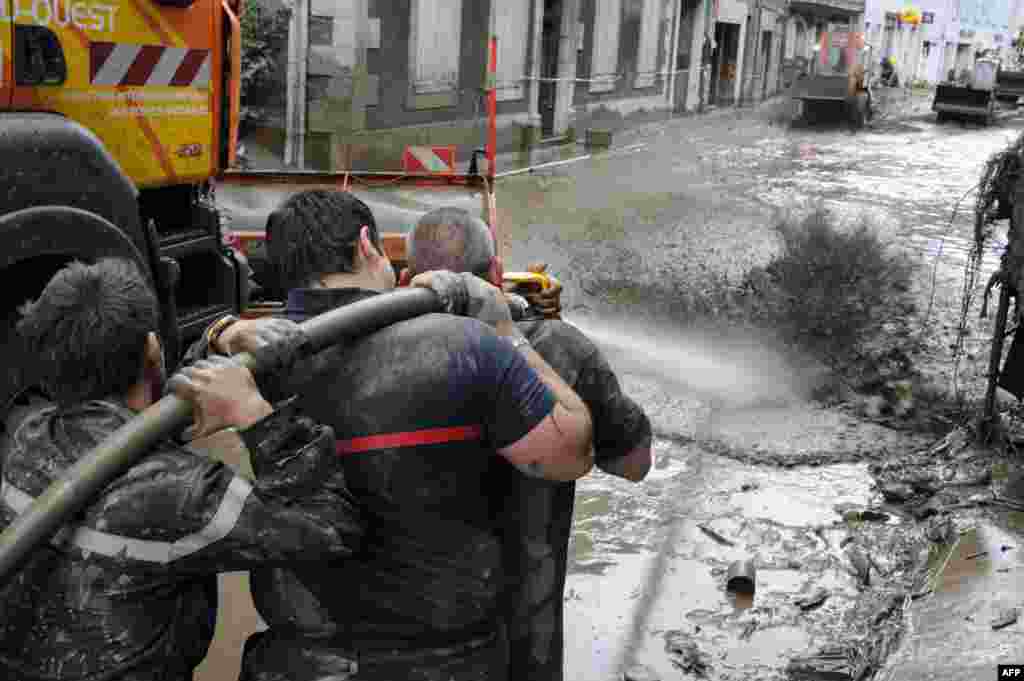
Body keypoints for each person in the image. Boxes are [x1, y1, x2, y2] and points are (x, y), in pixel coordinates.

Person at [198, 189, 595, 680]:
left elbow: (153, 403)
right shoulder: (463, 345)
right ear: (368, 245)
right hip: (447, 662)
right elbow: (570, 452)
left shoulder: (245, 367)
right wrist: (502, 329)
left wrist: (219, 333)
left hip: (299, 661)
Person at [0, 257, 365, 681]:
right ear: (154, 348)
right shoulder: (178, 493)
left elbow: (128, 423)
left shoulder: (28, 437)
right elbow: (328, 527)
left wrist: (219, 338)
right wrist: (261, 419)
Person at [399, 206, 653, 681]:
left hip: (397, 650)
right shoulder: (557, 346)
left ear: (408, 278)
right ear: (496, 273)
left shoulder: (370, 352)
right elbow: (635, 464)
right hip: (524, 653)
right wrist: (541, 338)